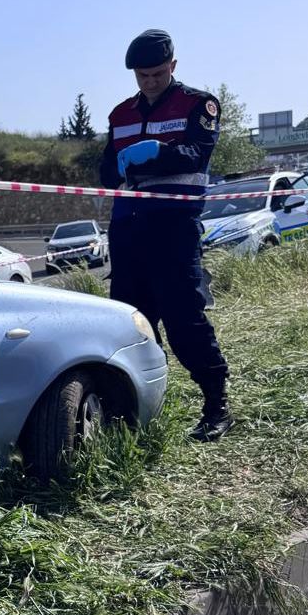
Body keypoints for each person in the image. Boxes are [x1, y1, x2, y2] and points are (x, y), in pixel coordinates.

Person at [99, 29, 233, 441]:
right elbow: (105, 173)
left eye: (158, 73)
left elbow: (197, 154)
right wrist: (120, 166)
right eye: (143, 76)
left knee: (183, 317)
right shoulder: (120, 114)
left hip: (174, 227)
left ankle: (217, 405)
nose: (151, 81)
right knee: (130, 322)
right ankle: (138, 409)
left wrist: (156, 152)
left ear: (173, 66)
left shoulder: (198, 104)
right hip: (128, 227)